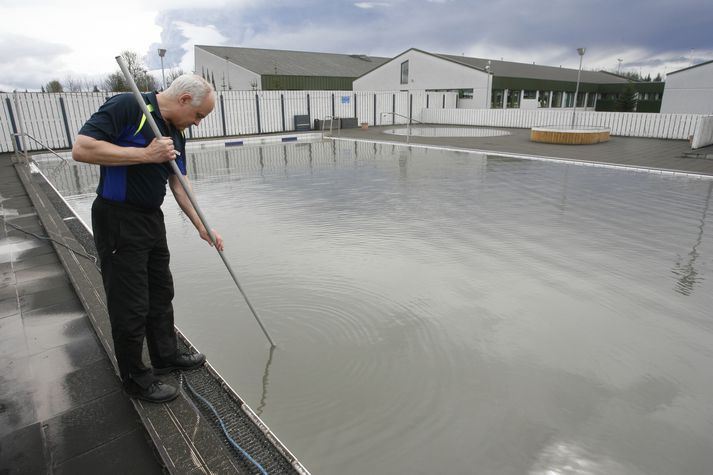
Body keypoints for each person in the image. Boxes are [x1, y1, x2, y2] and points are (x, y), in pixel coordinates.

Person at [72, 74, 224, 403]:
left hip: (150, 218)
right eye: (199, 116)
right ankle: (136, 379)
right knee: (131, 302)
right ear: (185, 100)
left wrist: (201, 225)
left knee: (160, 291)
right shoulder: (130, 106)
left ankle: (165, 356)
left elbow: (179, 180)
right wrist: (145, 155)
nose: (197, 124)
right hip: (118, 217)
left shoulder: (175, 131)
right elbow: (82, 149)